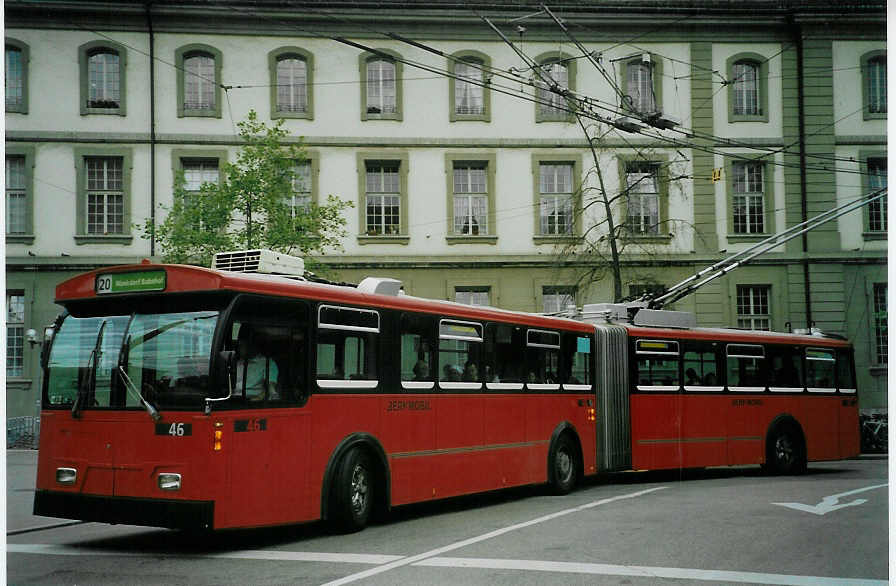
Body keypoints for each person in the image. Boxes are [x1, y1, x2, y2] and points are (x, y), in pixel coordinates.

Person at [235, 324, 279, 401]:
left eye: (242, 345)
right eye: (239, 345)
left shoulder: (267, 363)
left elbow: (270, 388)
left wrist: (257, 400)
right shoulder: (236, 363)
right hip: (232, 399)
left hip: (253, 402)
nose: (239, 348)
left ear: (252, 344)